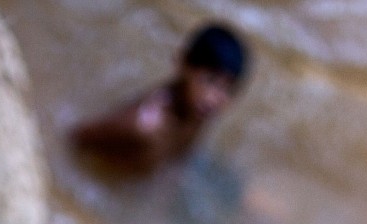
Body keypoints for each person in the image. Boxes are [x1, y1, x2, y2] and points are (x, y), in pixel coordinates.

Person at [71, 23, 252, 176]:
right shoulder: (143, 127)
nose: (216, 98)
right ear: (183, 63)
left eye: (228, 89)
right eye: (210, 81)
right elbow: (77, 139)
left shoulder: (198, 110)